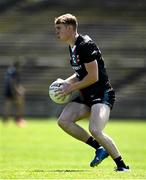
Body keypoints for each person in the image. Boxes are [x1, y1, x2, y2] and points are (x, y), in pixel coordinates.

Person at [54, 13, 129, 171]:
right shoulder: (73, 46)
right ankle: (99, 148)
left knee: (95, 129)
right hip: (87, 95)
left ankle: (122, 166)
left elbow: (93, 77)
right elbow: (81, 73)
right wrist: (66, 82)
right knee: (64, 121)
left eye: (59, 28)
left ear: (70, 28)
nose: (57, 32)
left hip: (102, 94)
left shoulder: (85, 45)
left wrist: (71, 87)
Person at [3, 59, 26, 127]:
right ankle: (18, 119)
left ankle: (6, 120)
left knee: (8, 106)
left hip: (7, 90)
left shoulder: (9, 70)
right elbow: (13, 82)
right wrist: (17, 91)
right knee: (20, 104)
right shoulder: (15, 71)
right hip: (12, 90)